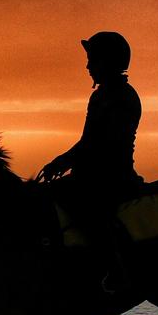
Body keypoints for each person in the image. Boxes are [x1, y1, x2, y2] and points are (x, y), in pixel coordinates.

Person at [39, 31, 143, 292]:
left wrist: (65, 161)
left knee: (90, 208)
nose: (87, 67)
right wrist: (61, 162)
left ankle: (115, 268)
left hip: (112, 176)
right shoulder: (100, 95)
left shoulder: (122, 96)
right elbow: (87, 140)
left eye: (92, 60)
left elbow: (103, 143)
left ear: (108, 62)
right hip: (90, 173)